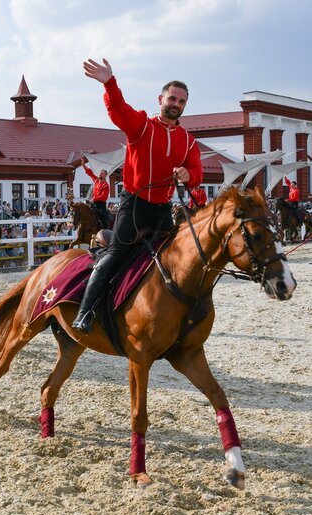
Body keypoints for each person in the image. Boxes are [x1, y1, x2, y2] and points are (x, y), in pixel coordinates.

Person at [72, 58, 203, 333]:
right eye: (172, 98)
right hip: (134, 206)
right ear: (161, 99)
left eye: (181, 101)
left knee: (178, 258)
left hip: (163, 209)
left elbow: (197, 172)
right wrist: (109, 82)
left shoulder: (189, 141)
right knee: (117, 254)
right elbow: (118, 110)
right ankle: (84, 313)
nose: (176, 104)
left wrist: (188, 176)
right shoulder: (142, 125)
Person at [82, 160, 112, 229]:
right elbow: (90, 173)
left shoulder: (105, 185)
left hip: (100, 205)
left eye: (102, 173)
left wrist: (93, 199)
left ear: (105, 175)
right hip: (93, 203)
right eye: (100, 173)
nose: (100, 174)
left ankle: (106, 231)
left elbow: (103, 197)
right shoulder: (96, 180)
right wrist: (83, 165)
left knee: (103, 218)